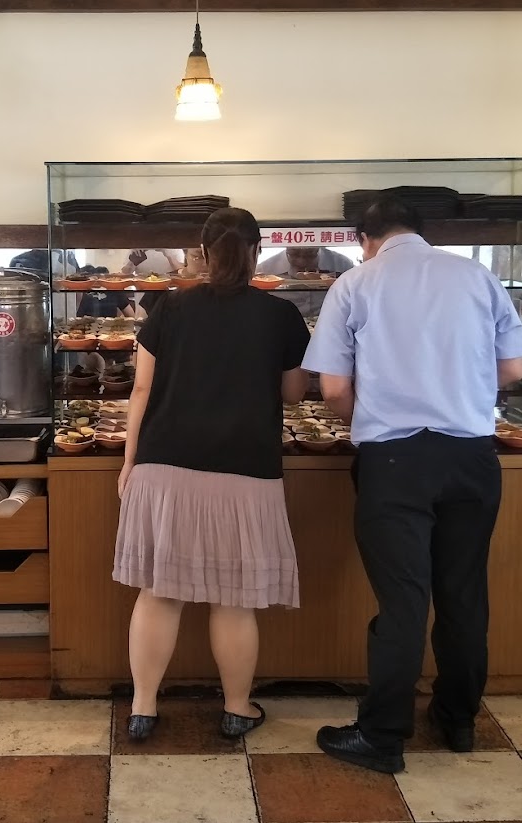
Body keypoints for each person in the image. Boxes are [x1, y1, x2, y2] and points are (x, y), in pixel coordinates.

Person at [302, 194, 522, 775]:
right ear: (422, 231)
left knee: (403, 602)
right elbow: (511, 370)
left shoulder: (355, 284)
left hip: (395, 461)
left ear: (365, 239)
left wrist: (367, 419)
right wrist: (459, 389)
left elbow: (332, 388)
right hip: (472, 457)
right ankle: (457, 719)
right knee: (463, 594)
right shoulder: (477, 277)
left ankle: (382, 736)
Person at [112, 207, 309, 742]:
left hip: (165, 464)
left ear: (201, 251)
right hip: (246, 469)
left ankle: (143, 709)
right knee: (235, 599)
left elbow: (142, 390)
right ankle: (237, 709)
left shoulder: (170, 307)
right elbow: (294, 393)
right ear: (256, 251)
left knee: (159, 593)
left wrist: (130, 462)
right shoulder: (280, 314)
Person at [256, 246, 355, 317]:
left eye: (310, 255)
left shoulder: (343, 265)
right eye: (294, 254)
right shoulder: (265, 270)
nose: (301, 261)